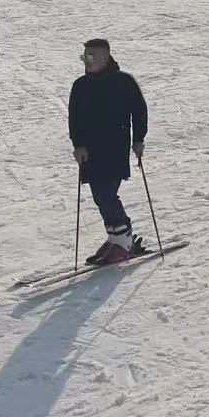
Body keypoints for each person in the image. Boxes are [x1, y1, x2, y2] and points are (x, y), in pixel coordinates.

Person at [69, 38, 150, 265]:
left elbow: (139, 112)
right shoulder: (80, 85)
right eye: (84, 56)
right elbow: (74, 119)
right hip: (91, 151)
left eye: (90, 57)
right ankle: (116, 238)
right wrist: (78, 145)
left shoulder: (124, 82)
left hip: (115, 148)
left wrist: (139, 140)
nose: (86, 61)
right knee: (99, 195)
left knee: (106, 193)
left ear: (105, 57)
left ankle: (124, 241)